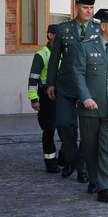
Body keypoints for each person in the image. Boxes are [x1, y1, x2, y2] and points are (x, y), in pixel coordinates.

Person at [72, 9, 108, 203]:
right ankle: (94, 179)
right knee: (89, 146)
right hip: (90, 106)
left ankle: (105, 188)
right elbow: (77, 73)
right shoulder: (85, 47)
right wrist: (85, 97)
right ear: (103, 26)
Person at [46, 0, 100, 184]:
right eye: (85, 7)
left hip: (89, 87)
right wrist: (50, 82)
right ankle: (75, 160)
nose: (89, 11)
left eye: (91, 8)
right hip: (66, 85)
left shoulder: (98, 29)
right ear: (76, 7)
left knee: (87, 131)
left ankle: (80, 165)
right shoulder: (63, 29)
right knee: (63, 124)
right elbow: (54, 59)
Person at [28, 24, 62, 173]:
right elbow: (33, 78)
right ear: (50, 35)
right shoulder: (41, 54)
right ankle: (50, 162)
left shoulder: (64, 53)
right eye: (56, 34)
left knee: (66, 128)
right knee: (49, 129)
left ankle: (64, 158)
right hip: (46, 96)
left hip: (62, 96)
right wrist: (34, 99)